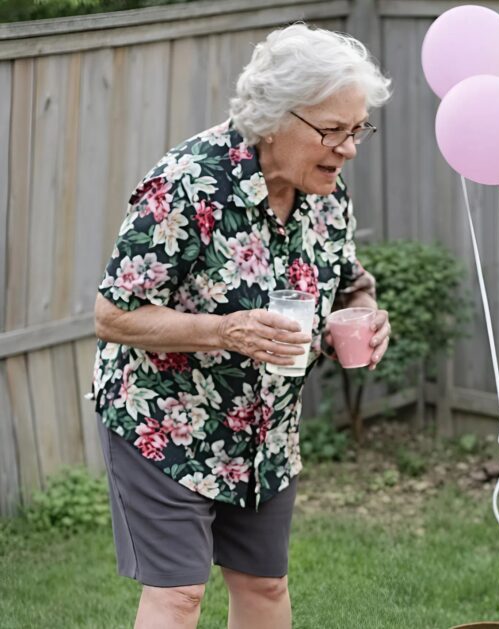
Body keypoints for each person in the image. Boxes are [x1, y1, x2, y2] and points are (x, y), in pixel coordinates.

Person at [91, 24, 391, 629]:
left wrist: (360, 313)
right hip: (165, 421)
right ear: (275, 117)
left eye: (357, 130)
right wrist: (226, 331)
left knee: (264, 585)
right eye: (333, 131)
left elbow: (346, 276)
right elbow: (114, 313)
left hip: (264, 432)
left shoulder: (326, 191)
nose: (349, 148)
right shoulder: (186, 184)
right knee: (179, 595)